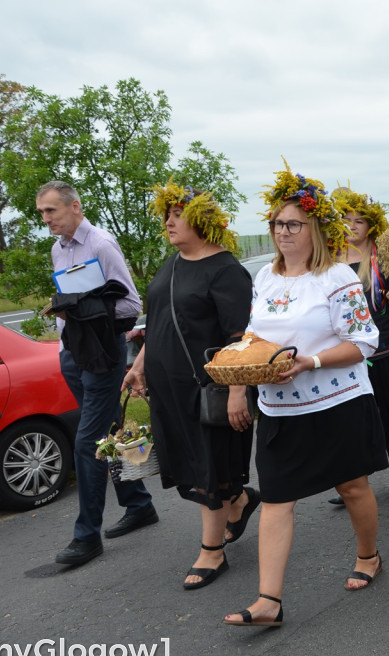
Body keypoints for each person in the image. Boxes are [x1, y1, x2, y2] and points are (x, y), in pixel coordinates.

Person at [224, 166, 387, 628]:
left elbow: (365, 342)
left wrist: (310, 362)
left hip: (337, 403)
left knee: (352, 486)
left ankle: (369, 555)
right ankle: (268, 602)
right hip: (279, 410)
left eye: (292, 224)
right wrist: (239, 385)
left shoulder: (337, 278)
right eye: (277, 223)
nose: (282, 232)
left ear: (314, 228)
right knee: (277, 498)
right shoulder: (265, 278)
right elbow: (252, 335)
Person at [122, 182, 255, 588]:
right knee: (191, 462)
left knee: (208, 465)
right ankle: (241, 501)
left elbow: (242, 338)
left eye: (176, 214)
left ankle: (212, 552)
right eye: (167, 215)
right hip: (168, 389)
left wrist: (237, 391)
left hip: (207, 388)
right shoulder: (172, 264)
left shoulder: (227, 270)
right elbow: (160, 320)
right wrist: (140, 364)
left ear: (201, 219)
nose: (168, 222)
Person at [38, 180, 156, 567]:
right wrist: (64, 307)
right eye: (42, 212)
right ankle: (138, 504)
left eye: (51, 211)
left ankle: (86, 535)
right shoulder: (58, 248)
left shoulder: (101, 244)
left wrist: (86, 311)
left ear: (75, 207)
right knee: (107, 434)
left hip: (102, 356)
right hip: (72, 353)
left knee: (87, 441)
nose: (46, 219)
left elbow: (130, 303)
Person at [333, 188, 389, 496]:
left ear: (370, 226)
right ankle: (352, 480)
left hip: (386, 346)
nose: (352, 226)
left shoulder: (382, 258)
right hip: (347, 353)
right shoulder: (331, 261)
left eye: (359, 221)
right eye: (346, 220)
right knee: (350, 419)